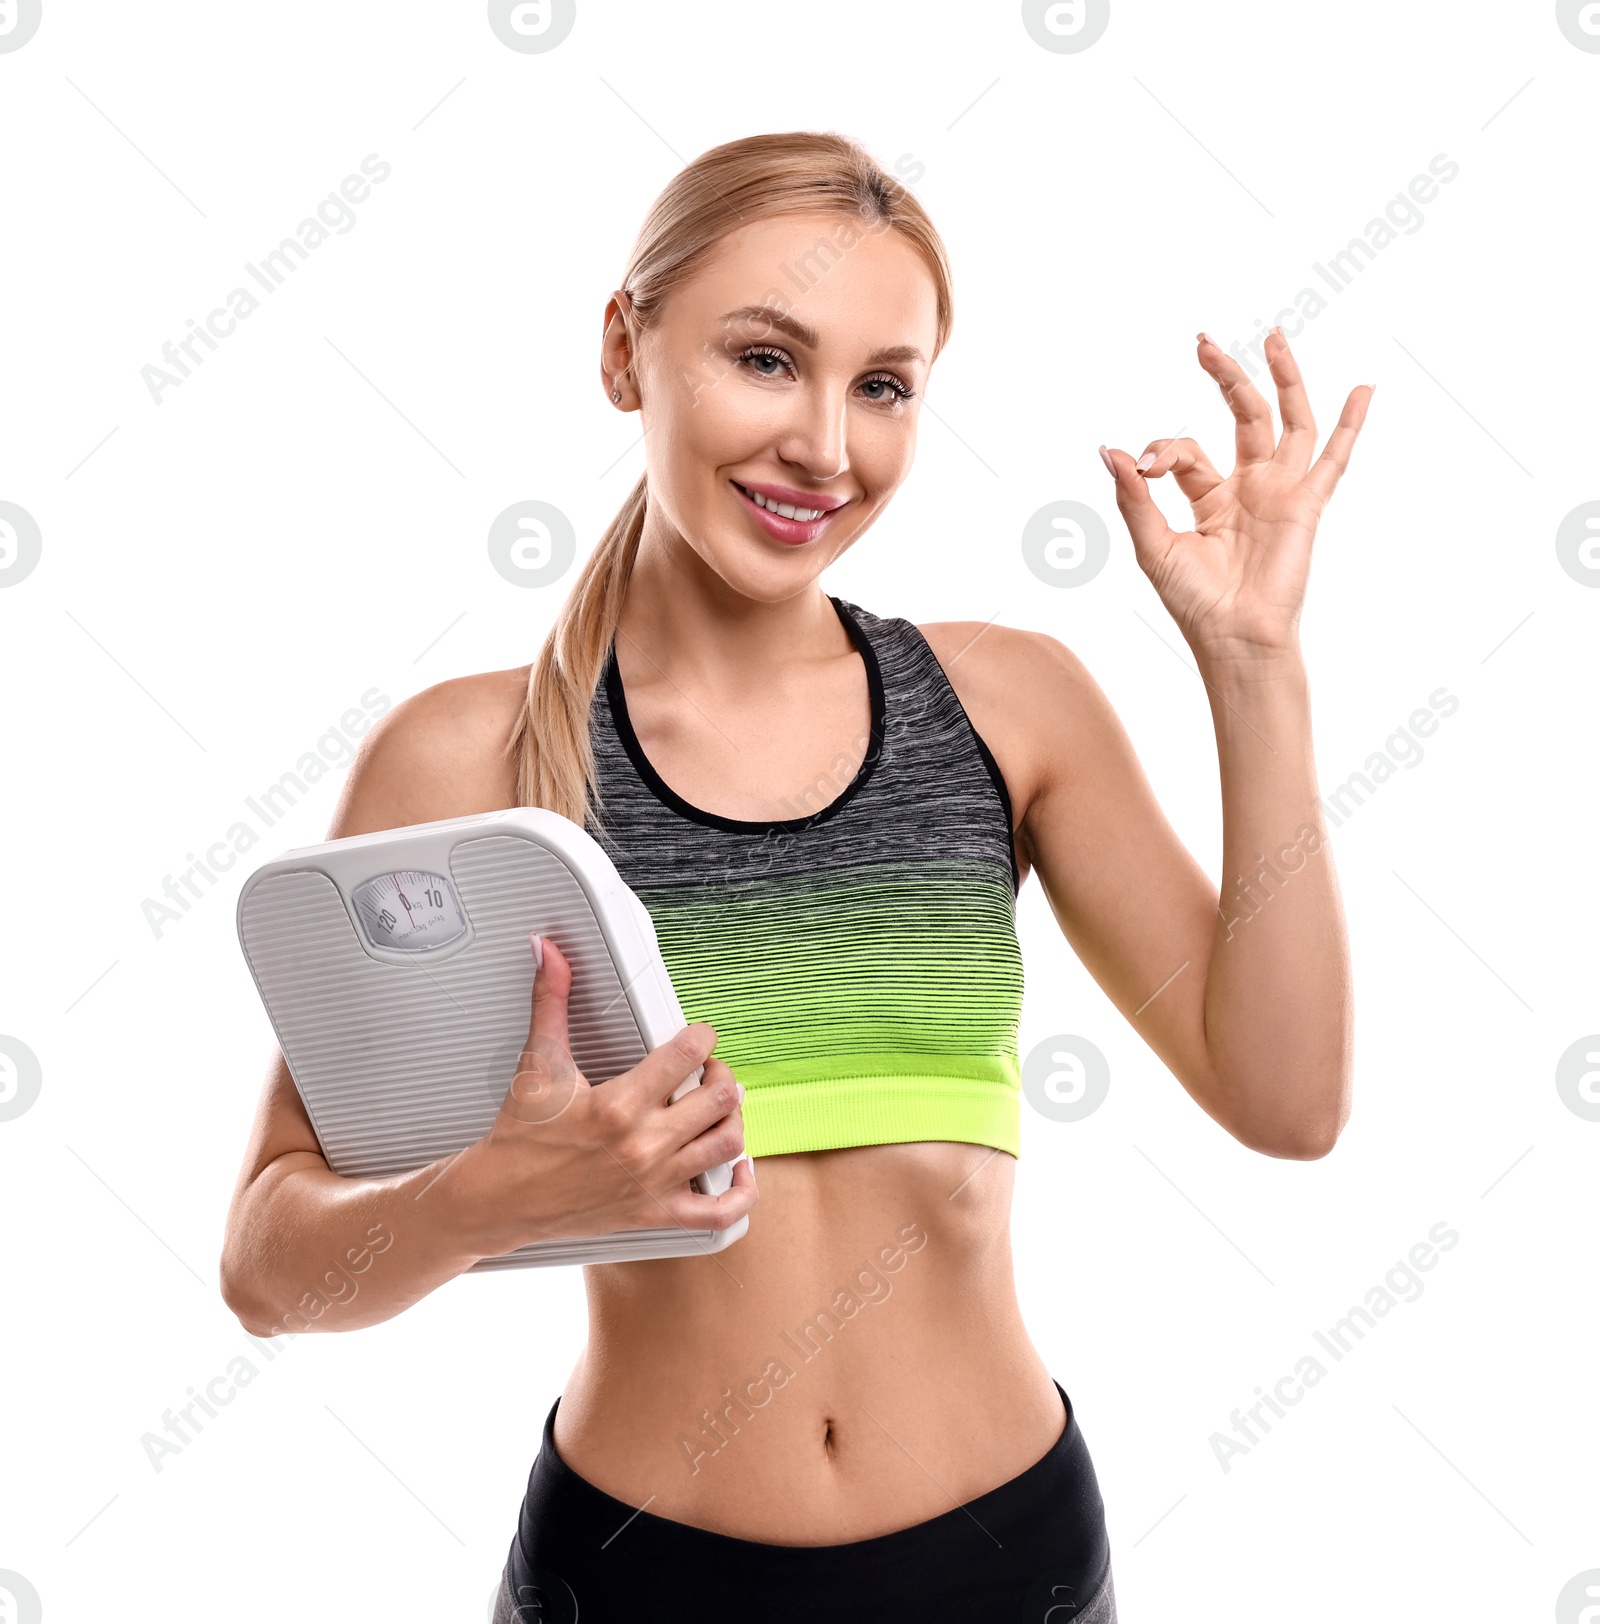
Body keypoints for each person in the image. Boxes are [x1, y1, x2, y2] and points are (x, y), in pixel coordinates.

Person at [219, 129, 1371, 1623]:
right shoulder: (474, 763)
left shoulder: (1007, 709)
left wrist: (1255, 665)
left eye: (882, 386)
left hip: (1006, 1564)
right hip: (636, 1578)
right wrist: (492, 1196)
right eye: (766, 360)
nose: (827, 444)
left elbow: (1288, 1103)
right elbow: (268, 1269)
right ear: (627, 348)